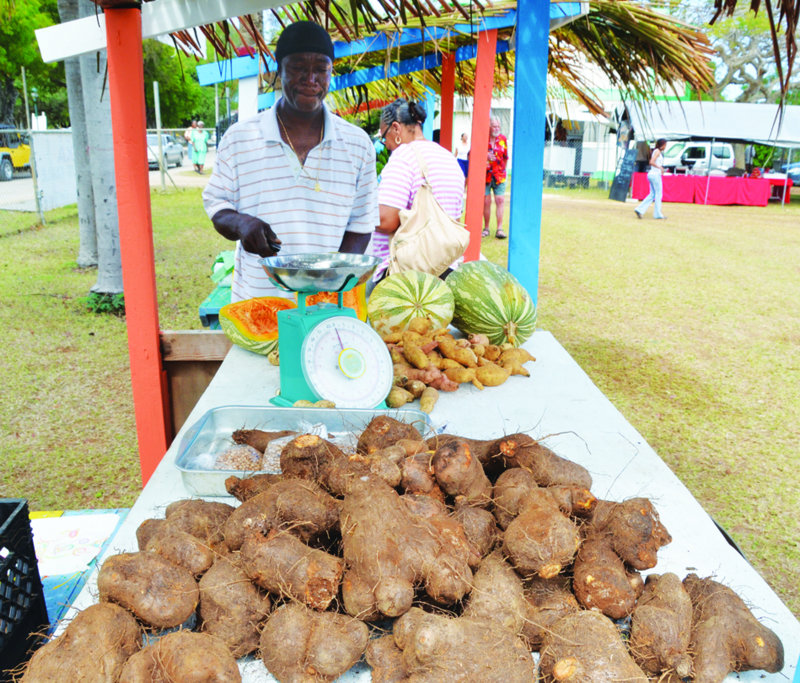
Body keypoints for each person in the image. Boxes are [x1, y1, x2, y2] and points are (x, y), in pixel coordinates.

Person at [202, 21, 378, 303]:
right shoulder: (240, 138)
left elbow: (361, 226)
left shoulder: (358, 145)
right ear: (278, 68)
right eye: (298, 67)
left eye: (321, 68)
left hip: (327, 304)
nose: (311, 78)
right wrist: (242, 224)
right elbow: (217, 205)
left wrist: (330, 286)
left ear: (330, 71)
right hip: (256, 301)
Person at [370, 98, 465, 281]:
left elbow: (386, 220)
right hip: (445, 270)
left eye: (384, 137)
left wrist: (358, 213)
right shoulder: (448, 158)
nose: (386, 144)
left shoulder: (404, 156)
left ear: (396, 128)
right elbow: (455, 218)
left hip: (407, 276)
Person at [484, 117, 509, 239]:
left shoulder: (503, 139)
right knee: (486, 201)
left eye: (498, 126)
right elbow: (472, 154)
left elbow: (505, 157)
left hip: (499, 175)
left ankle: (499, 229)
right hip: (485, 175)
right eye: (494, 126)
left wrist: (503, 171)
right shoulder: (483, 138)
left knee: (500, 200)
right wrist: (484, 156)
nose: (496, 128)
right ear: (489, 127)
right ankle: (486, 228)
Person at [634, 138, 667, 220]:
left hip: (651, 174)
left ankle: (640, 209)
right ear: (662, 145)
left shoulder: (655, 151)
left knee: (652, 194)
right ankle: (657, 214)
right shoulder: (658, 152)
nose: (665, 147)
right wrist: (660, 167)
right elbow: (651, 162)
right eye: (665, 145)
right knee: (658, 194)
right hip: (655, 175)